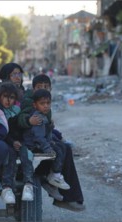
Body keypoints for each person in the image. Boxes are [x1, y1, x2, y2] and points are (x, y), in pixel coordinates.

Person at [18, 74, 85, 211]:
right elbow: (23, 116)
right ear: (33, 88)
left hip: (42, 135)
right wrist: (28, 121)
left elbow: (46, 125)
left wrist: (51, 129)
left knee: (64, 147)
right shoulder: (29, 100)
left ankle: (62, 191)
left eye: (46, 87)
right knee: (58, 148)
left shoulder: (45, 101)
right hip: (31, 138)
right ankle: (54, 185)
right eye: (39, 87)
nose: (43, 89)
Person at [0, 82, 34, 203]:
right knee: (9, 155)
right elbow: (1, 132)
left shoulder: (17, 111)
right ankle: (7, 187)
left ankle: (29, 184)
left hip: (19, 141)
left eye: (11, 97)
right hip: (5, 141)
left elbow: (21, 128)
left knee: (26, 154)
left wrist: (20, 141)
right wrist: (12, 142)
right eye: (5, 96)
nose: (8, 100)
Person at [24, 89, 70, 190]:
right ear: (35, 105)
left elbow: (46, 133)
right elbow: (38, 137)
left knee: (62, 146)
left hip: (41, 143)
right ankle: (55, 175)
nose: (46, 106)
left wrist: (50, 141)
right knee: (57, 150)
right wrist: (47, 148)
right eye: (42, 103)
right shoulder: (38, 118)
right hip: (33, 145)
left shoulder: (44, 116)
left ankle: (54, 173)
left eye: (48, 103)